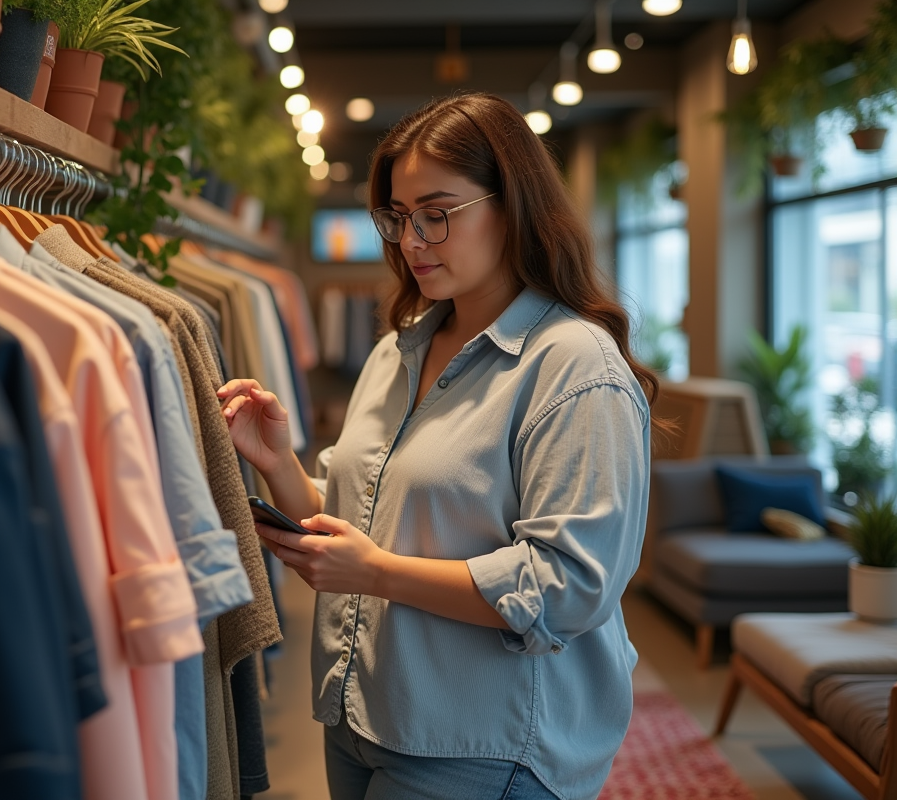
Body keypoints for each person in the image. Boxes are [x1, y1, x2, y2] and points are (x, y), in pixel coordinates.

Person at [217, 92, 663, 800]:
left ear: (510, 204)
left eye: (438, 214)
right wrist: (278, 463)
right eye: (398, 218)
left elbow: (570, 585)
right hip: (362, 716)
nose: (411, 241)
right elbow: (351, 537)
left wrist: (379, 573)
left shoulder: (573, 365)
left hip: (482, 745)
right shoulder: (400, 348)